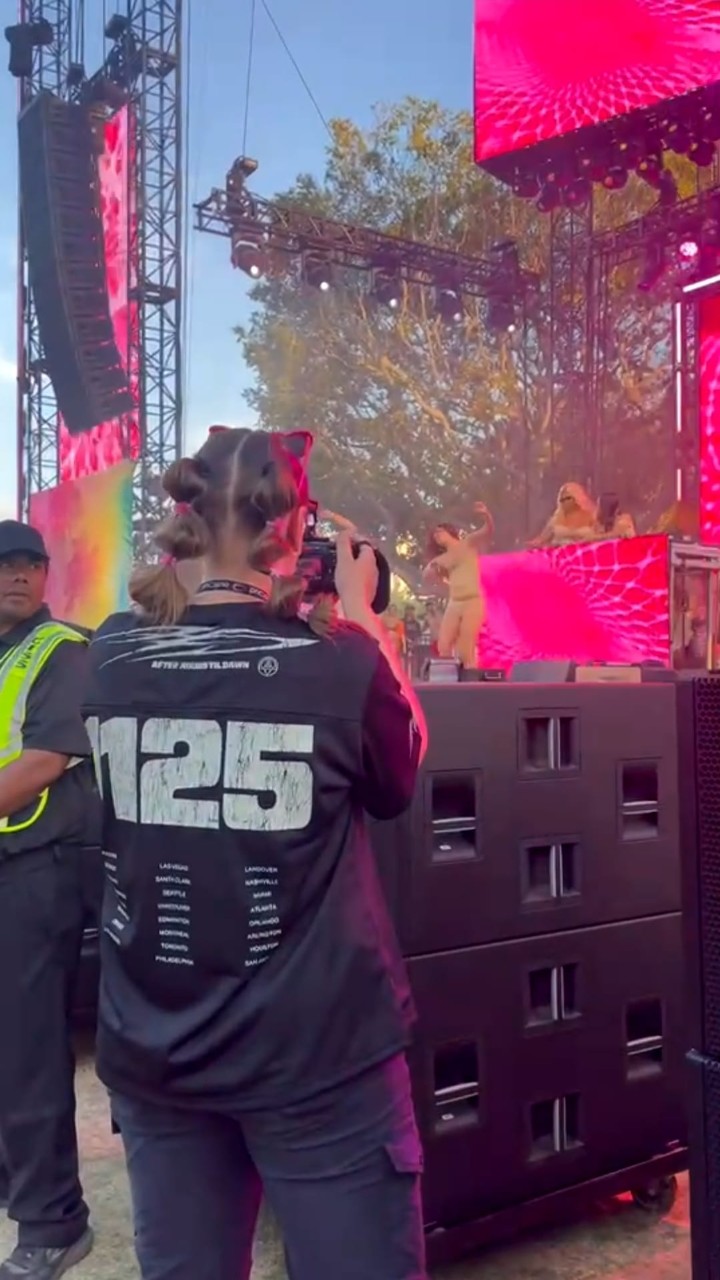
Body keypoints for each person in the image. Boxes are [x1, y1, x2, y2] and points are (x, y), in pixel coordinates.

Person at [84, 427, 428, 1280]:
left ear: (185, 519)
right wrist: (364, 624)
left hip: (153, 1049)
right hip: (320, 1059)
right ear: (292, 527)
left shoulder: (107, 655)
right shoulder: (341, 660)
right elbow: (401, 775)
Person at [0, 520, 97, 1280]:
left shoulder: (61, 648)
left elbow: (44, 760)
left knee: (28, 1052)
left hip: (35, 870)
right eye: (5, 566)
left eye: (30, 565)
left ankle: (53, 1221)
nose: (18, 576)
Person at [423, 502, 493, 670]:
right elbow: (426, 577)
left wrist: (486, 515)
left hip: (473, 600)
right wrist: (436, 573)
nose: (437, 535)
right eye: (435, 535)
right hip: (455, 602)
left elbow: (487, 530)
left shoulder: (467, 543)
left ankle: (470, 677)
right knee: (443, 644)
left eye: (440, 531)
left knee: (466, 645)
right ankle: (448, 676)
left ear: (450, 531)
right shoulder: (442, 559)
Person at [531, 482, 597, 547]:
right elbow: (541, 540)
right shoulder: (556, 519)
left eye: (568, 498)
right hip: (560, 554)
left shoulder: (591, 516)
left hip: (584, 553)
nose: (564, 502)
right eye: (562, 500)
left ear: (577, 497)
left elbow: (599, 536)